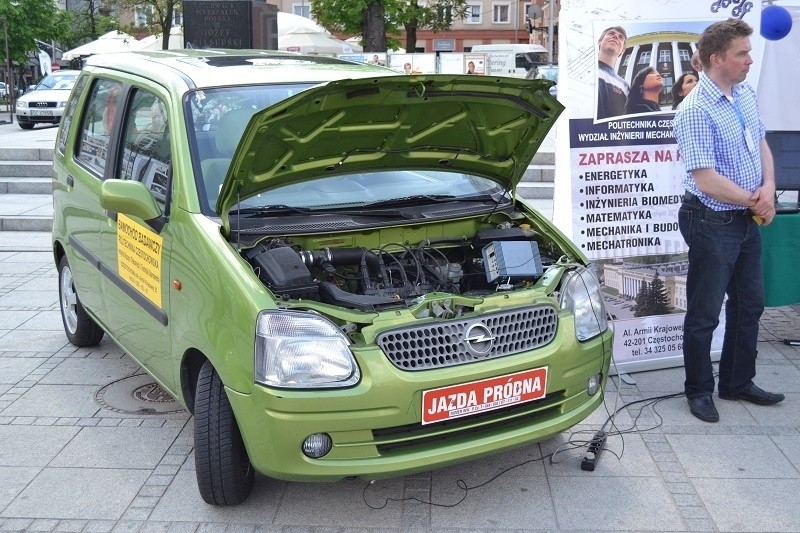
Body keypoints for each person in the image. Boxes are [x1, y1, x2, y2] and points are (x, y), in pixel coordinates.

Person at [673, 18, 784, 424]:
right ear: (715, 59)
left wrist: (768, 187)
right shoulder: (694, 109)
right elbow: (707, 180)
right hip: (711, 219)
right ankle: (699, 390)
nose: (750, 61)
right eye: (742, 54)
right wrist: (758, 203)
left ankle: (737, 382)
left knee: (750, 304)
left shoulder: (745, 94)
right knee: (704, 313)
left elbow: (760, 142)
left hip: (746, 216)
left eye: (749, 53)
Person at [597, 25, 630, 119]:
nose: (615, 37)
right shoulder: (585, 71)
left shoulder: (624, 86)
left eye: (620, 37)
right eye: (611, 33)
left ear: (622, 51)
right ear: (600, 41)